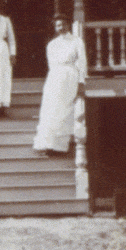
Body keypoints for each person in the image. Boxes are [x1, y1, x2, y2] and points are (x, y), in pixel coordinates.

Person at [33, 14, 86, 156]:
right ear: (55, 27)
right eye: (58, 25)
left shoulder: (77, 41)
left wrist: (81, 82)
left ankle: (60, 147)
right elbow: (51, 65)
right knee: (50, 110)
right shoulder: (52, 44)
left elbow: (82, 62)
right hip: (54, 77)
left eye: (63, 24)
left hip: (70, 76)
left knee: (64, 110)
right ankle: (47, 144)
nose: (61, 27)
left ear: (68, 25)